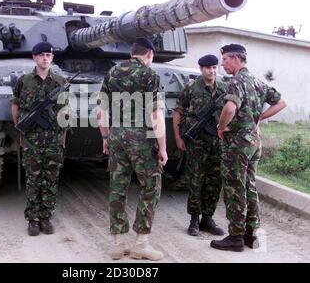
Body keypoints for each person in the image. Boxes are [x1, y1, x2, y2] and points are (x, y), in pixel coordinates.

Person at [97, 37, 168, 261]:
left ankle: (118, 244)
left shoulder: (113, 73)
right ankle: (141, 243)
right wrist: (163, 147)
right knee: (150, 186)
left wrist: (106, 136)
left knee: (118, 186)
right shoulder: (150, 75)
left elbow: (101, 111)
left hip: (117, 134)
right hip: (142, 137)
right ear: (149, 54)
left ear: (132, 53)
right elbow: (156, 115)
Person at [210, 44, 286, 252]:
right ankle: (251, 235)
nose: (222, 63)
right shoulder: (257, 81)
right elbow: (281, 102)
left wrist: (221, 127)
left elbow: (230, 107)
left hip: (237, 144)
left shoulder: (237, 81)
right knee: (249, 186)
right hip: (254, 143)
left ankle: (235, 237)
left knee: (234, 188)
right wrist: (257, 119)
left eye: (225, 59)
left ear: (236, 59)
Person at [11, 42, 69, 236]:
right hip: (32, 138)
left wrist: (63, 137)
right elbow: (16, 106)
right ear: (34, 57)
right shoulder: (24, 81)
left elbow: (65, 112)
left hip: (53, 137)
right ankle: (33, 219)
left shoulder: (60, 82)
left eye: (48, 55)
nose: (45, 58)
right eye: (41, 55)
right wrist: (21, 131)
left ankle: (46, 217)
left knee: (51, 178)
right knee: (33, 178)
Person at [173, 54, 226, 237]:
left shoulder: (225, 88)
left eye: (214, 67)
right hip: (196, 143)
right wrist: (179, 138)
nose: (212, 71)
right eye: (208, 68)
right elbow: (178, 112)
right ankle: (194, 220)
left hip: (218, 144)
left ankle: (207, 219)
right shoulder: (191, 87)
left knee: (214, 182)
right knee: (196, 181)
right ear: (201, 69)